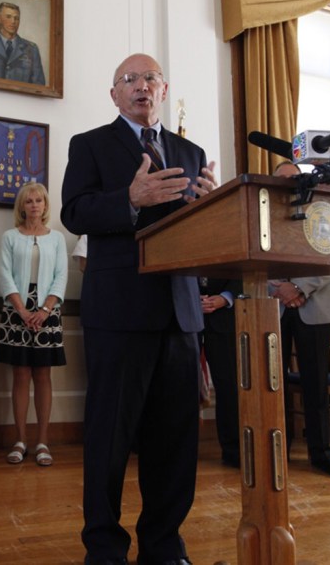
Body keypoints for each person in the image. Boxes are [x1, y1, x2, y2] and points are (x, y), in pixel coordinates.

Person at [61, 53, 216, 565]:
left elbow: (198, 234)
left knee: (174, 445)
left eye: (150, 78)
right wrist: (129, 198)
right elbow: (74, 211)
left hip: (180, 315)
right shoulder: (90, 146)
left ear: (164, 89)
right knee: (108, 439)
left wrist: (210, 210)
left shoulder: (192, 152)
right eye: (129, 80)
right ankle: (104, 548)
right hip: (119, 313)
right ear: (114, 95)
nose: (141, 86)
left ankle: (164, 546)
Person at [269, 161, 330, 478]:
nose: (290, 183)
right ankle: (280, 451)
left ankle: (322, 453)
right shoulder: (264, 210)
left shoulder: (322, 211)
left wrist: (299, 287)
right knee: (275, 385)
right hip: (273, 306)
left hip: (314, 304)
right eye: (282, 179)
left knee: (316, 384)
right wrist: (280, 289)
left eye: (295, 178)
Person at [0, 182, 68, 467]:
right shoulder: (10, 237)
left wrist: (46, 309)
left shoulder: (57, 239)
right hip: (17, 311)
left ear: (45, 206)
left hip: (48, 312)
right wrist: (23, 310)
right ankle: (20, 440)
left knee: (43, 376)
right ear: (22, 207)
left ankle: (43, 442)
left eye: (39, 200)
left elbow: (61, 275)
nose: (34, 205)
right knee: (21, 375)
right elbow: (4, 275)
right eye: (29, 201)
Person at [198, 277, 242, 468]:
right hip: (181, 315)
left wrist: (224, 299)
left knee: (229, 388)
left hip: (224, 319)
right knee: (177, 385)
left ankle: (233, 451)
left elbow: (241, 271)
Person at [0, 1, 46, 85]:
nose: (13, 21)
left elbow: (39, 84)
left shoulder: (32, 49)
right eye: (8, 17)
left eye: (16, 18)